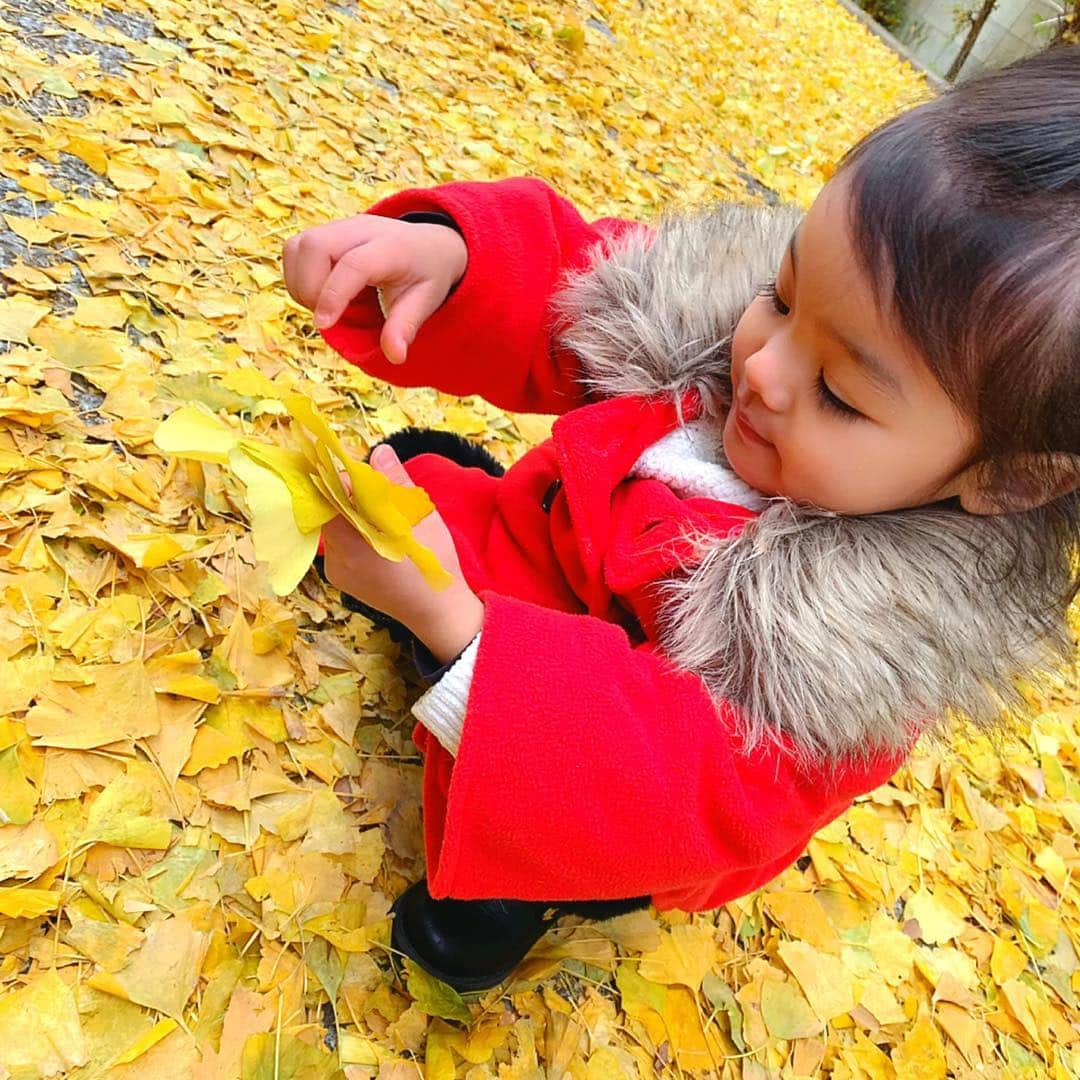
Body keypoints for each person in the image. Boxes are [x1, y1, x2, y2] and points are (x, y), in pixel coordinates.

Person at [282, 48, 1080, 992]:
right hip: (543, 550)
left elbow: (675, 786)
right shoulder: (747, 340)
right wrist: (449, 263)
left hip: (587, 758)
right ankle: (443, 603)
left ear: (1003, 478)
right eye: (779, 297)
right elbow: (579, 291)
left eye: (841, 394)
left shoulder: (849, 663)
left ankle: (505, 895)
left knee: (519, 830)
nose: (765, 369)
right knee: (413, 489)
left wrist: (455, 635)